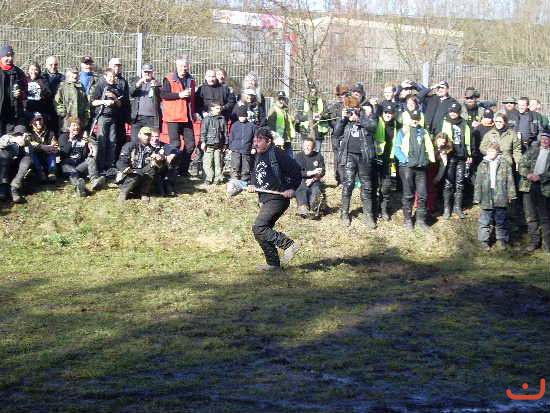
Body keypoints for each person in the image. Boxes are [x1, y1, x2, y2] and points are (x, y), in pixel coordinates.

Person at [247, 127, 301, 271]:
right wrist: (252, 184)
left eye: (260, 140)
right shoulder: (259, 154)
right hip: (266, 198)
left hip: (277, 198)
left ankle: (289, 244)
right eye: (255, 140)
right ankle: (273, 264)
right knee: (261, 231)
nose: (256, 143)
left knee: (259, 227)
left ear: (269, 141)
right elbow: (256, 173)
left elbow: (296, 170)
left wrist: (292, 188)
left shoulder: (277, 153)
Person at [333, 95, 378, 228]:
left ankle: (368, 215)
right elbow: (336, 133)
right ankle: (344, 214)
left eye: (354, 107)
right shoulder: (345, 119)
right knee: (348, 184)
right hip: (349, 155)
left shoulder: (366, 114)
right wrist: (343, 119)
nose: (352, 110)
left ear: (359, 107)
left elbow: (374, 126)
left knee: (367, 186)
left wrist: (359, 119)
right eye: (350, 108)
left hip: (364, 156)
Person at [394, 109, 435, 230]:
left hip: (421, 167)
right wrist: (405, 160)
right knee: (408, 194)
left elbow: (429, 147)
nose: (415, 121)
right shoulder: (403, 131)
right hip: (407, 167)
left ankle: (421, 220)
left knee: (423, 195)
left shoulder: (423, 132)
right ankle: (408, 220)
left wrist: (427, 160)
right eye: (413, 119)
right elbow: (397, 148)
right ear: (409, 119)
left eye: (417, 119)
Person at [474, 142, 516, 251]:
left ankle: (501, 240)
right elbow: (478, 182)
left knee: (501, 219)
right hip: (486, 195)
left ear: (498, 152)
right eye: (489, 151)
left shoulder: (504, 163)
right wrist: (477, 197)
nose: (491, 153)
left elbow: (510, 180)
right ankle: (484, 241)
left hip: (500, 194)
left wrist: (511, 194)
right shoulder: (482, 164)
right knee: (485, 220)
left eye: (493, 151)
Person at [161, 56, 197, 177]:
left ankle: (183, 170)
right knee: (175, 144)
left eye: (185, 66)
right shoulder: (169, 78)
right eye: (181, 66)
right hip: (173, 117)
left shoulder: (191, 80)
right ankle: (171, 169)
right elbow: (164, 95)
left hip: (187, 117)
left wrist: (194, 112)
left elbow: (193, 99)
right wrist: (179, 95)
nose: (183, 68)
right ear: (177, 66)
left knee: (190, 145)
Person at [519, 131, 550, 252]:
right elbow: (521, 164)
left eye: (547, 139)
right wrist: (528, 174)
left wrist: (541, 177)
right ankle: (534, 242)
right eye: (542, 138)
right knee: (530, 216)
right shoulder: (532, 150)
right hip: (529, 186)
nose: (544, 141)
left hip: (545, 188)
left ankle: (547, 244)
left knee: (545, 217)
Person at [58, 117, 105, 197]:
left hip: (79, 166)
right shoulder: (63, 137)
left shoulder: (81, 137)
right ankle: (79, 187)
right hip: (67, 165)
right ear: (69, 127)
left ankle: (95, 181)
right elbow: (63, 154)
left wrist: (87, 144)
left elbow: (84, 155)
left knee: (90, 160)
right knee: (73, 171)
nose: (76, 127)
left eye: (78, 125)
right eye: (73, 125)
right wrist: (70, 140)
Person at [441, 102, 472, 219]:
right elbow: (441, 137)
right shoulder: (445, 122)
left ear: (459, 112)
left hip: (461, 156)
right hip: (450, 155)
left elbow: (468, 140)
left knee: (460, 183)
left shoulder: (464, 123)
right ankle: (446, 209)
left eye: (455, 112)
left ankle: (457, 207)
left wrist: (469, 154)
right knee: (448, 183)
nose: (453, 113)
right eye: (451, 111)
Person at [91, 68, 123, 174]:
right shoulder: (100, 86)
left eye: (113, 76)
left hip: (113, 118)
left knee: (112, 142)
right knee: (102, 142)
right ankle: (100, 167)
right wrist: (104, 101)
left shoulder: (117, 88)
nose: (112, 78)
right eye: (110, 76)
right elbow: (93, 102)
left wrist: (114, 98)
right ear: (105, 76)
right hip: (102, 117)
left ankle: (110, 166)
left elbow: (120, 104)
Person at [116, 126, 160, 202]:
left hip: (142, 178)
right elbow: (120, 161)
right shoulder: (130, 145)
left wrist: (158, 161)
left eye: (149, 135)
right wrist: (125, 168)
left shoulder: (152, 149)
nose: (147, 137)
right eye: (145, 135)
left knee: (152, 167)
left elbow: (156, 167)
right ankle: (123, 193)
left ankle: (144, 193)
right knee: (136, 173)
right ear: (139, 135)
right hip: (127, 177)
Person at [374, 103, 401, 220]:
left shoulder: (396, 124)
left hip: (390, 159)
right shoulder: (377, 121)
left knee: (387, 186)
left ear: (393, 114)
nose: (388, 115)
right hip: (377, 157)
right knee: (376, 184)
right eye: (386, 112)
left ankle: (384, 208)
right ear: (382, 113)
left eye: (390, 113)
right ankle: (376, 209)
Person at [129, 63, 162, 142]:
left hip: (151, 118)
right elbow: (131, 93)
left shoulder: (157, 83)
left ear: (152, 72)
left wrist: (155, 87)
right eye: (145, 72)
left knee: (150, 141)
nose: (147, 74)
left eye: (149, 72)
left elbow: (161, 96)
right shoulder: (137, 83)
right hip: (137, 117)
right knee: (135, 141)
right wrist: (139, 83)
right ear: (142, 72)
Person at [0, 125, 32, 203]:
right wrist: (14, 140)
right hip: (4, 166)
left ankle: (14, 187)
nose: (20, 136)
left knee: (27, 159)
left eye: (22, 134)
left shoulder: (26, 140)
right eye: (19, 134)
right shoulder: (6, 137)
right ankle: (3, 188)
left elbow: (29, 151)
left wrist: (25, 142)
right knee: (4, 155)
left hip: (17, 166)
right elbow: (1, 143)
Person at [294, 138, 325, 218]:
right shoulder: (298, 156)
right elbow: (296, 172)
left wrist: (313, 179)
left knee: (316, 189)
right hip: (301, 179)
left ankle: (315, 207)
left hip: (314, 179)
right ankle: (303, 207)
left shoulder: (318, 156)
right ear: (302, 146)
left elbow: (322, 171)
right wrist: (311, 172)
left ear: (313, 147)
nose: (307, 147)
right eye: (305, 145)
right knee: (301, 187)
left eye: (309, 146)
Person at [0, 45, 27, 135]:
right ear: (1, 57)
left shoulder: (19, 73)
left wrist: (21, 93)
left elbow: (26, 91)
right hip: (1, 112)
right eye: (7, 56)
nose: (10, 58)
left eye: (12, 55)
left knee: (11, 139)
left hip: (13, 114)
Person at [296, 81, 329, 152]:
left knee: (316, 154)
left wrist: (320, 116)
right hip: (306, 133)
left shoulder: (322, 101)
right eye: (311, 91)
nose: (313, 93)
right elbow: (299, 117)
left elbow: (327, 115)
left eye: (314, 91)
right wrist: (310, 117)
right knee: (305, 154)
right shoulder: (303, 102)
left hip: (318, 134)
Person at [228, 104, 256, 185]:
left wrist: (254, 147)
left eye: (243, 116)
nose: (241, 118)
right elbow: (231, 137)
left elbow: (255, 138)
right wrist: (230, 147)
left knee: (246, 166)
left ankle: (244, 181)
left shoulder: (252, 126)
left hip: (246, 149)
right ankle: (234, 180)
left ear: (246, 116)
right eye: (240, 116)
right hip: (235, 149)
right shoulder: (234, 125)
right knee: (235, 165)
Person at [200, 101, 227, 185]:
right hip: (209, 144)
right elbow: (203, 132)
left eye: (220, 108)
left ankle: (217, 178)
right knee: (208, 163)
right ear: (212, 108)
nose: (219, 110)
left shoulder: (222, 119)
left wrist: (226, 144)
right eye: (217, 108)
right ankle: (209, 178)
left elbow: (225, 132)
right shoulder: (206, 119)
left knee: (218, 162)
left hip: (219, 144)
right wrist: (203, 142)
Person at [328, 84, 349, 185]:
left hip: (349, 136)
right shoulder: (334, 107)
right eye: (339, 95)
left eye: (343, 94)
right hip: (337, 137)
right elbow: (331, 123)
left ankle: (348, 180)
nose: (341, 96)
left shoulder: (351, 105)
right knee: (338, 159)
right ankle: (339, 180)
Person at [28, 112, 57, 183]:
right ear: (31, 122)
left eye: (40, 119)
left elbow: (55, 145)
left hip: (47, 157)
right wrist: (41, 147)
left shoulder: (50, 132)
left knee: (52, 153)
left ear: (43, 120)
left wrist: (54, 148)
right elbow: (29, 143)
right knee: (31, 152)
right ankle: (40, 173)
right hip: (35, 160)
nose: (38, 122)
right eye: (36, 120)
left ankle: (51, 173)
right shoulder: (29, 133)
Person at [150, 128, 178, 197]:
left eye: (156, 136)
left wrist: (170, 156)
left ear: (159, 136)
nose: (154, 139)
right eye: (152, 136)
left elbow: (176, 150)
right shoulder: (146, 145)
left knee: (172, 167)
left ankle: (168, 186)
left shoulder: (163, 145)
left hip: (163, 169)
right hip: (151, 169)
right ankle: (161, 188)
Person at [266, 91, 295, 158]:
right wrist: (275, 139)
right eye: (279, 99)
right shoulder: (273, 110)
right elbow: (270, 126)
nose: (281, 101)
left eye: (283, 99)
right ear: (276, 100)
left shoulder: (285, 110)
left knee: (290, 160)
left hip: (287, 140)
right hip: (278, 141)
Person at [42, 56, 64, 135]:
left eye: (55, 64)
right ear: (46, 65)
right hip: (44, 108)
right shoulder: (41, 77)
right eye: (51, 65)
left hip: (57, 108)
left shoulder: (62, 78)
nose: (53, 67)